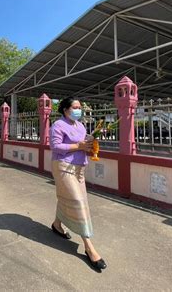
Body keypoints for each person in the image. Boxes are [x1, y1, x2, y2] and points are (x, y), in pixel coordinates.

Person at [49, 97, 107, 271]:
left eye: (80, 107)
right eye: (75, 107)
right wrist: (78, 146)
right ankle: (89, 247)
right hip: (63, 166)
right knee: (78, 202)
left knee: (68, 199)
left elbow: (83, 146)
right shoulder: (58, 125)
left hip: (80, 168)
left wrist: (90, 145)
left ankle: (57, 224)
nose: (78, 110)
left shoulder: (80, 126)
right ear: (66, 109)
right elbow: (55, 146)